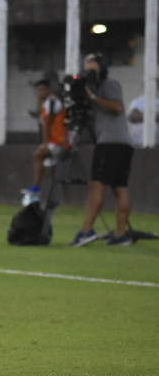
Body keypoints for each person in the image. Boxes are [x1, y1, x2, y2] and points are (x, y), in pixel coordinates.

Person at [69, 53, 133, 247]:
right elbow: (99, 114)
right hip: (123, 144)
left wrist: (93, 97)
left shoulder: (109, 85)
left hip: (110, 143)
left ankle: (86, 231)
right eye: (86, 70)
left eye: (92, 70)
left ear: (102, 70)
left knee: (96, 186)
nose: (89, 73)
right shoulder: (94, 88)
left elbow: (117, 106)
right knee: (120, 188)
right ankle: (120, 235)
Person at [22, 79, 68, 202]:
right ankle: (53, 194)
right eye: (37, 90)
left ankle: (36, 186)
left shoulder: (52, 102)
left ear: (48, 90)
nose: (39, 93)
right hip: (54, 141)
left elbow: (47, 124)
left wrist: (44, 144)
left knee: (37, 155)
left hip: (59, 141)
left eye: (42, 90)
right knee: (49, 164)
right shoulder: (45, 104)